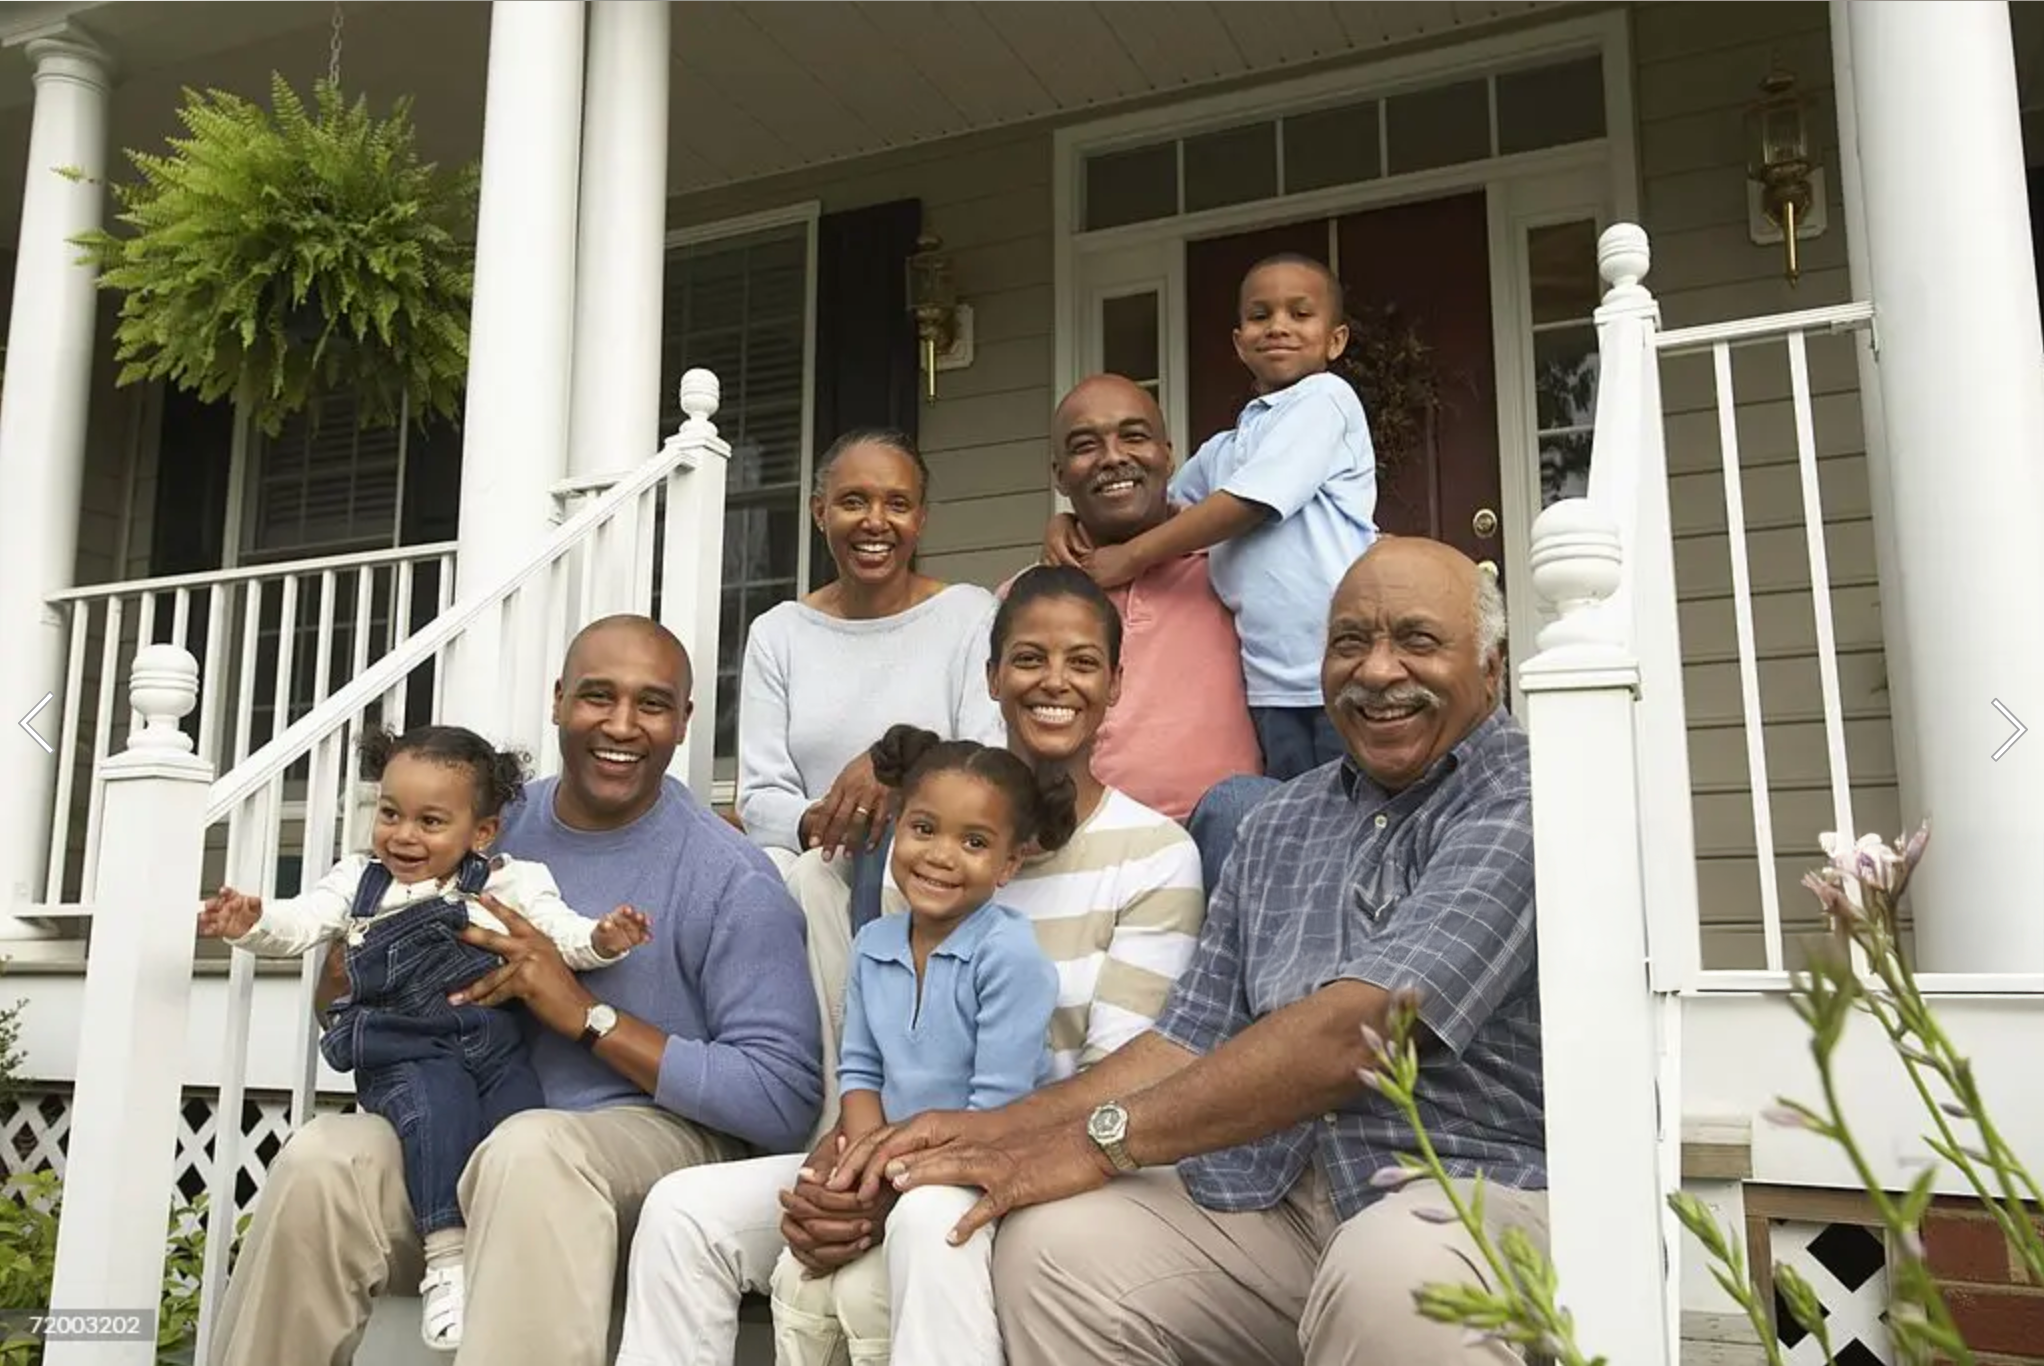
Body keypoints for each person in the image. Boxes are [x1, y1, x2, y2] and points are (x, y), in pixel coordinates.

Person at [832, 539, 1549, 1366]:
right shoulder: (1282, 821)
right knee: (1051, 1253)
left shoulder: (1523, 798)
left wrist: (1099, 1139)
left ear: (1492, 669)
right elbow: (1184, 1039)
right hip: (1270, 1196)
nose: (1378, 670)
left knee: (1393, 1278)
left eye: (1417, 641)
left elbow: (1362, 1030)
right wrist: (979, 1133)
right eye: (1349, 642)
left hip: (1456, 1186)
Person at [617, 566, 1205, 1366]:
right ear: (991, 676)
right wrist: (849, 1165)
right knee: (685, 1211)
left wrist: (898, 1172)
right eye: (1028, 658)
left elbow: (1121, 1075)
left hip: (1048, 1171)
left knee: (930, 1218)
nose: (1054, 682)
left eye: (1083, 662)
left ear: (1114, 684)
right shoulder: (924, 857)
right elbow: (878, 1051)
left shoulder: (1154, 855)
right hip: (898, 1152)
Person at [208, 615, 824, 1366]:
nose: (622, 725)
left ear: (685, 721)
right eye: (598, 697)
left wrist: (585, 1013)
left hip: (636, 1141)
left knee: (530, 1153)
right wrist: (351, 973)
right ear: (559, 700)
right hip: (467, 1126)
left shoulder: (728, 876)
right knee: (324, 1157)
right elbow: (340, 998)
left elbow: (783, 1098)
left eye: (652, 704)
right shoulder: (471, 821)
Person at [197, 723, 653, 1350]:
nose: (404, 835)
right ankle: (446, 1257)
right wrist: (252, 923)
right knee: (435, 1107)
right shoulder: (359, 882)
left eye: (431, 822)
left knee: (520, 1122)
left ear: (482, 831)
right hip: (402, 1043)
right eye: (390, 813)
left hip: (488, 1041)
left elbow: (558, 935)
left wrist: (602, 939)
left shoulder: (508, 882)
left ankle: (505, 1263)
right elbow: (299, 924)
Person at [768, 724, 1067, 1366]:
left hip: (977, 1164)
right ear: (897, 827)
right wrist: (854, 1178)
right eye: (924, 829)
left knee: (869, 1287)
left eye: (976, 842)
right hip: (893, 1162)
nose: (940, 855)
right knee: (798, 1275)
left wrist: (886, 1183)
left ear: (1010, 865)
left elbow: (996, 1109)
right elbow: (861, 1070)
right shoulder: (875, 942)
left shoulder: (1009, 955)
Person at [1047, 254, 1379, 781]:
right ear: (1239, 342)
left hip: (1343, 667)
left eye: (1300, 314)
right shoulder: (1229, 447)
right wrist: (1068, 522)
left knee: (1359, 816)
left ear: (1335, 341)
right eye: (1260, 315)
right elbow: (1152, 507)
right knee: (1300, 820)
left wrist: (1130, 558)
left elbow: (1249, 504)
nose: (1278, 327)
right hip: (1270, 683)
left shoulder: (1328, 402)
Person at [737, 428, 1005, 888]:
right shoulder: (778, 632)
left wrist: (896, 774)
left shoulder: (970, 615)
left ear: (920, 519)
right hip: (813, 864)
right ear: (819, 512)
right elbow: (760, 798)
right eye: (854, 501)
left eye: (897, 504)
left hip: (931, 861)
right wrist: (835, 821)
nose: (875, 521)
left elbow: (986, 756)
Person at [1019, 375, 1261, 823]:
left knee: (1243, 802)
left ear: (1168, 456)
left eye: (1133, 436)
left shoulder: (1235, 563)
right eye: (1086, 445)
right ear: (1059, 475)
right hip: (1078, 848)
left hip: (1220, 846)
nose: (1113, 458)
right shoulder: (1030, 599)